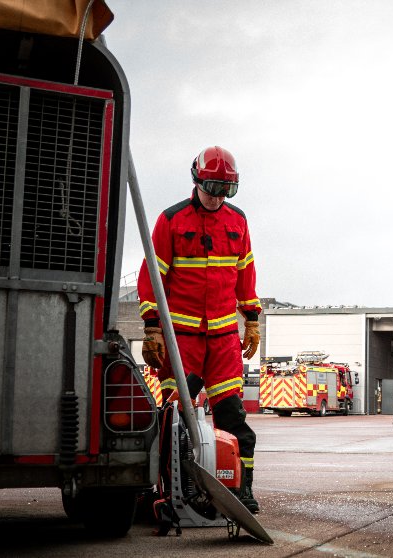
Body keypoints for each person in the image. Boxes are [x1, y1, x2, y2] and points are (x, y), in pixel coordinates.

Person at [137, 145, 262, 514]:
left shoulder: (237, 221)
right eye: (213, 187)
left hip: (223, 341)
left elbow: (246, 274)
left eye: (228, 190)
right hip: (182, 342)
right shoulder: (171, 221)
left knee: (233, 418)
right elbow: (152, 277)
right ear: (196, 181)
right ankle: (176, 491)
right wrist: (152, 329)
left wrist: (251, 318)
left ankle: (242, 490)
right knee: (176, 420)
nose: (219, 197)